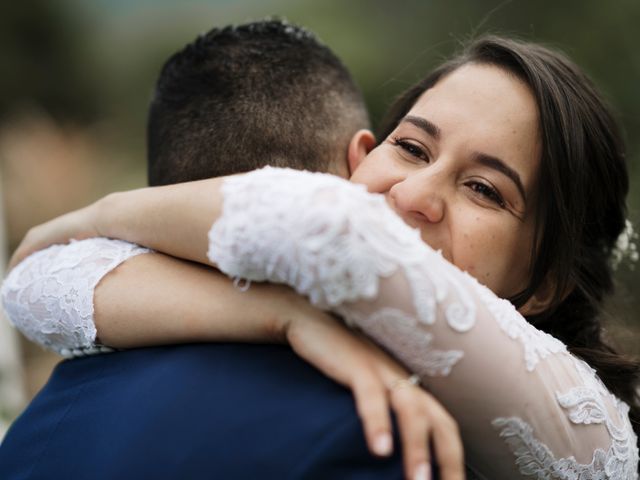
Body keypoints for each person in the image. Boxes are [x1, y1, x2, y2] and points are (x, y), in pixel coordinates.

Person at [4, 34, 639, 478]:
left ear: (546, 286)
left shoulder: (581, 422)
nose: (415, 195)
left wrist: (100, 213)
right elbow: (34, 283)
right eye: (413, 148)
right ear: (361, 157)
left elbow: (329, 226)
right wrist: (282, 316)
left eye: (484, 189)